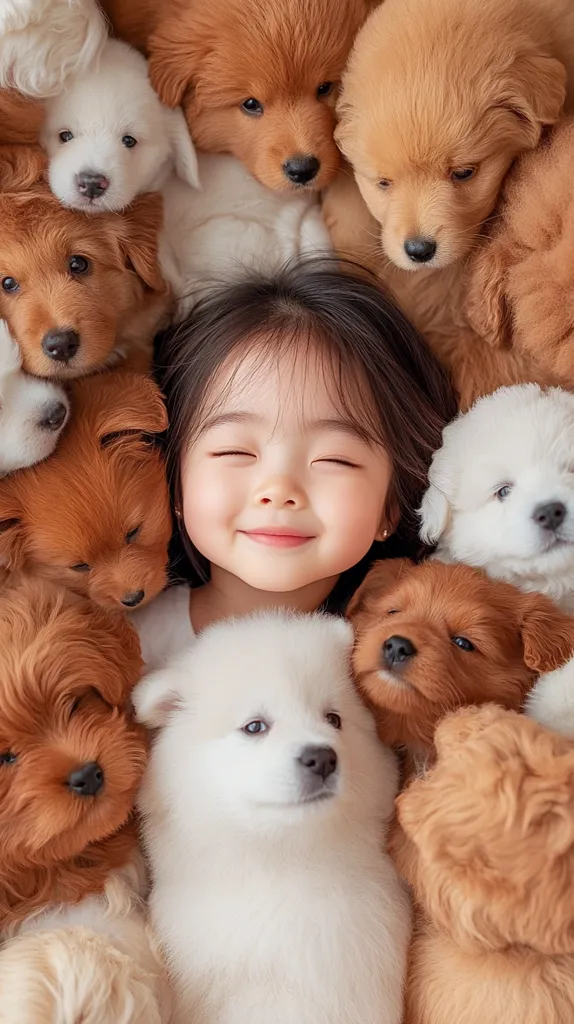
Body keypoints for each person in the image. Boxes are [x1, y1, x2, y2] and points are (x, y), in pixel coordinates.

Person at [133, 258, 457, 668]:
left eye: (333, 459)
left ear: (391, 506)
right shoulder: (125, 644)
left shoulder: (397, 664)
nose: (279, 490)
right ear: (175, 482)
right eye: (235, 451)